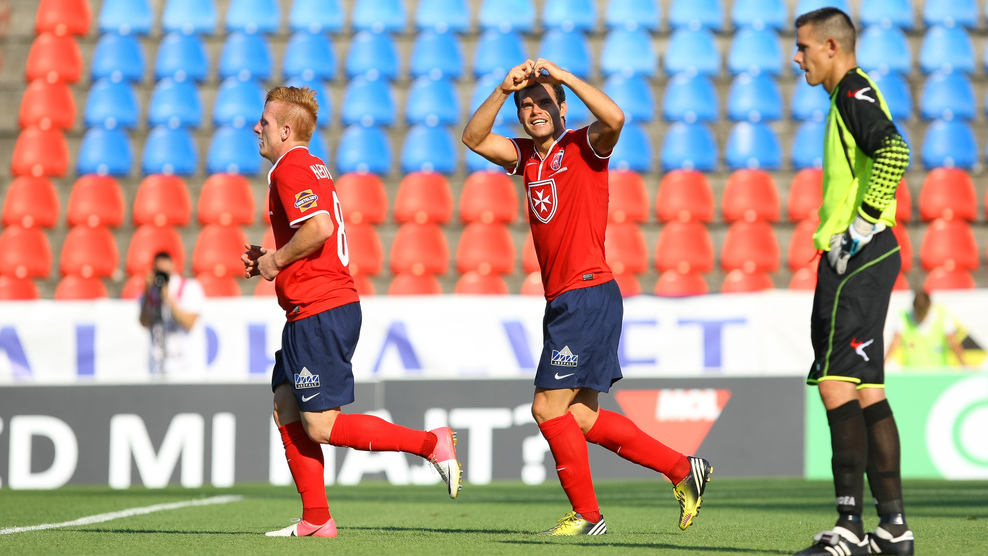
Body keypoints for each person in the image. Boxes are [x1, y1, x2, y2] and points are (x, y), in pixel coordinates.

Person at [462, 58, 712, 536]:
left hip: (586, 293)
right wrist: (502, 89)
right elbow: (473, 139)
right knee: (579, 416)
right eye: (526, 105)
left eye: (544, 102)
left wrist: (565, 77)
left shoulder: (584, 144)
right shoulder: (525, 157)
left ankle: (588, 517)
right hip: (567, 299)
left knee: (546, 408)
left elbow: (615, 118)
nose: (534, 110)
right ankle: (683, 469)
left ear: (562, 107)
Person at [242, 86, 462, 538]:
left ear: (285, 131)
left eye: (264, 122)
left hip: (319, 308)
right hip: (314, 307)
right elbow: (315, 232)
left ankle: (430, 444)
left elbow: (319, 227)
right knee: (285, 405)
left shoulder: (291, 168)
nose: (256, 128)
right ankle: (316, 519)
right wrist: (274, 256)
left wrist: (276, 261)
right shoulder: (311, 165)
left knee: (321, 426)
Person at [794, 8, 913, 556]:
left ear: (831, 47)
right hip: (869, 255)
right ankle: (892, 530)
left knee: (836, 383)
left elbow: (894, 151)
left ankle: (847, 528)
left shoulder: (851, 93)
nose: (798, 58)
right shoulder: (850, 93)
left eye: (804, 48)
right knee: (866, 389)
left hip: (857, 255)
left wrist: (860, 226)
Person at [138, 251, 206, 376]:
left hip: (186, 369)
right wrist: (147, 293)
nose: (162, 277)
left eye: (165, 273)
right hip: (158, 368)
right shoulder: (150, 292)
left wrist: (168, 299)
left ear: (173, 267)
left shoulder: (190, 287)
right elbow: (144, 322)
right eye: (159, 272)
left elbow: (189, 323)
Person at [885, 289, 967, 369]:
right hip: (912, 373)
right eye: (919, 313)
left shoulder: (943, 316)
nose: (921, 316)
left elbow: (952, 342)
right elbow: (895, 341)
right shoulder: (904, 317)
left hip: (939, 372)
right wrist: (884, 363)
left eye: (923, 312)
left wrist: (964, 364)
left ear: (929, 306)